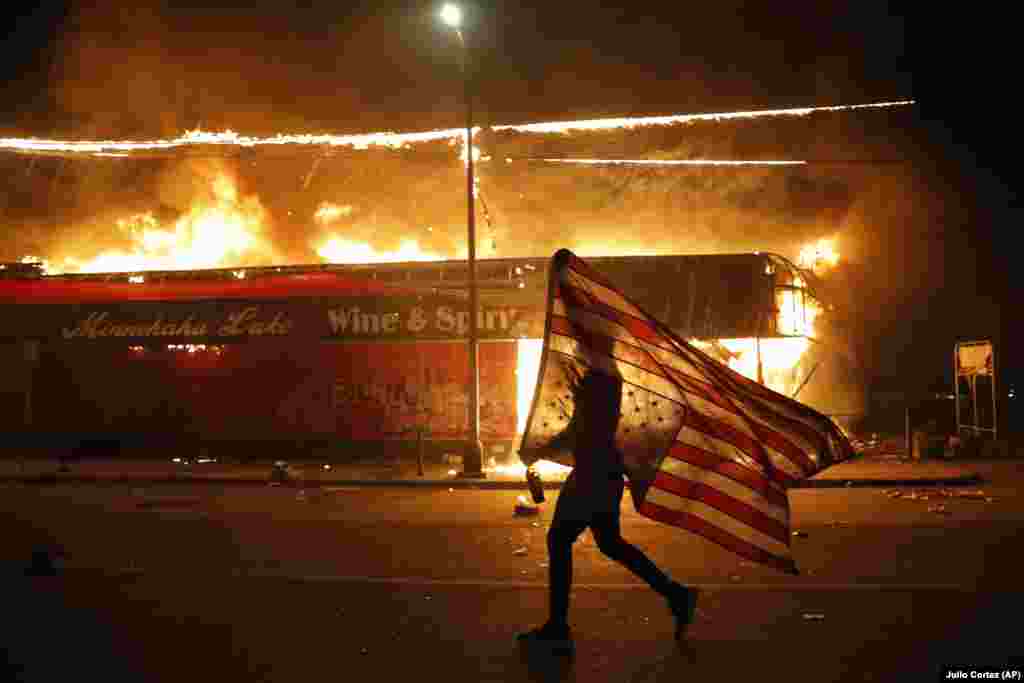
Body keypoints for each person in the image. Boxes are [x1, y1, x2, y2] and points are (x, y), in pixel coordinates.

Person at [517, 368, 698, 655]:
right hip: (603, 473)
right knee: (609, 543)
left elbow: (580, 429)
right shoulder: (605, 374)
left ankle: (558, 629)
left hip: (592, 474)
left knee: (560, 539)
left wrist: (539, 450)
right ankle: (676, 593)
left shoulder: (600, 376)